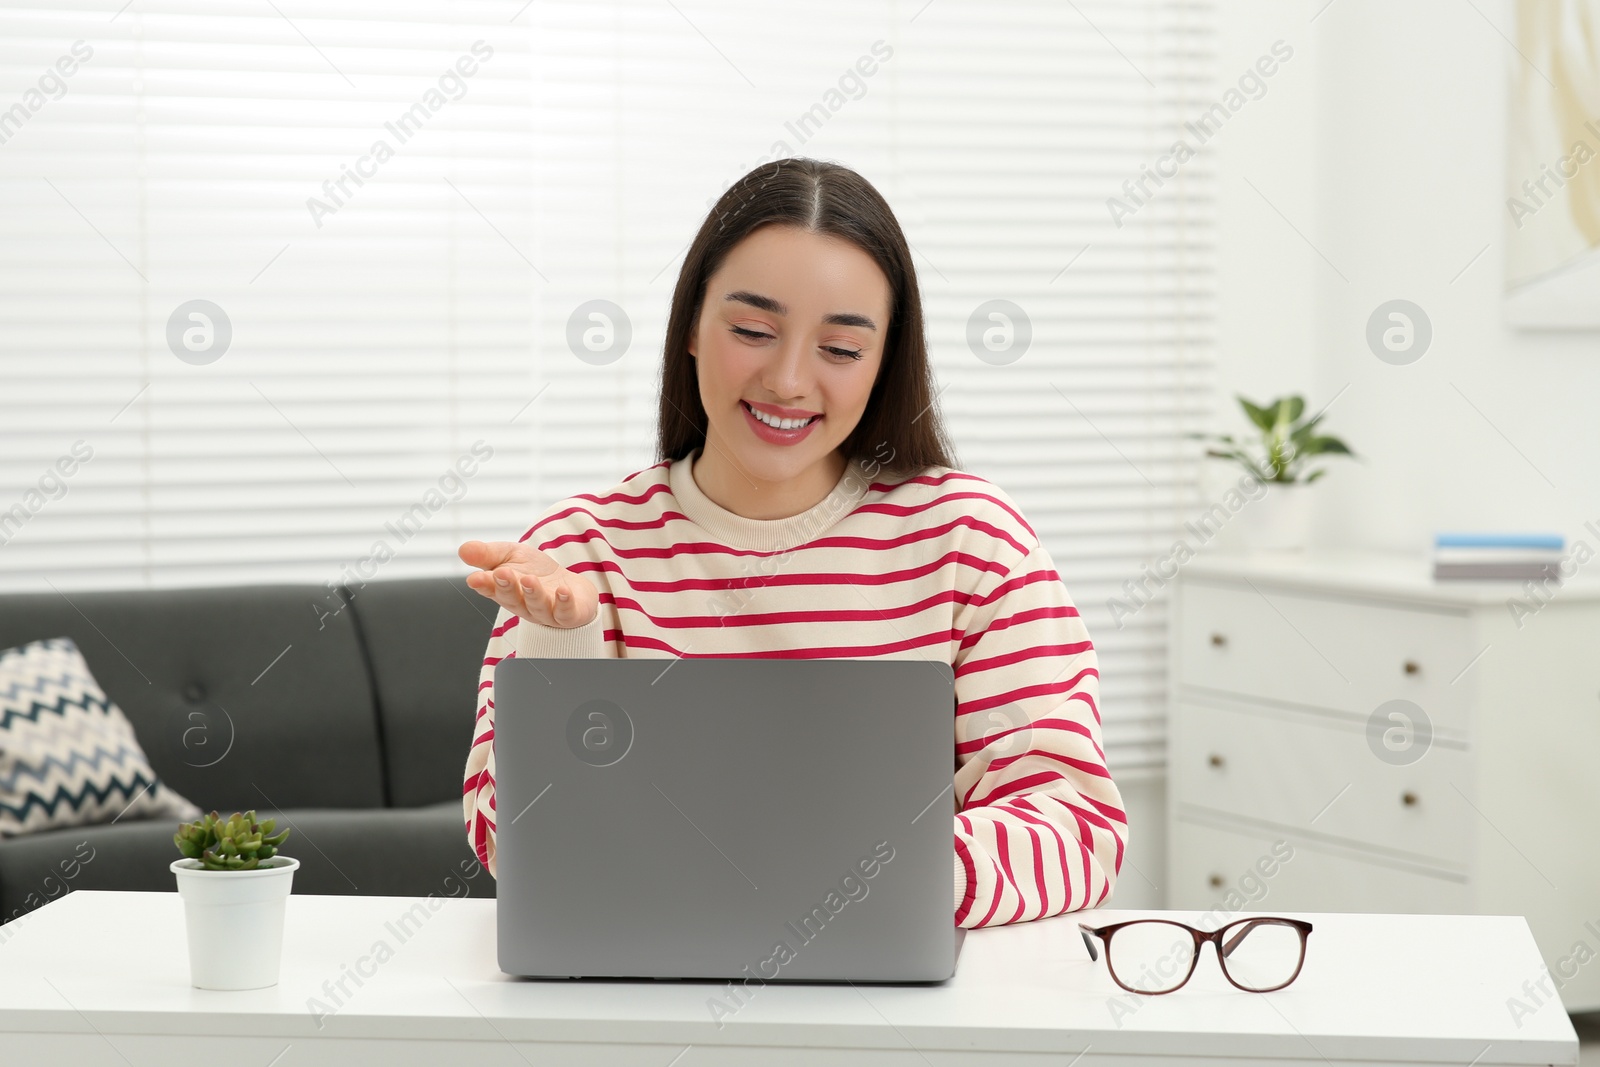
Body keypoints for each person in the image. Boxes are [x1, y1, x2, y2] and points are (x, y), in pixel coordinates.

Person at [459, 158, 1125, 929]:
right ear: (692, 332)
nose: (787, 378)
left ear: (883, 365)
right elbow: (520, 850)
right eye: (752, 331)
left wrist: (874, 880)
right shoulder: (578, 551)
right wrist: (562, 647)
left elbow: (1075, 827)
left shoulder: (970, 542)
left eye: (840, 349)